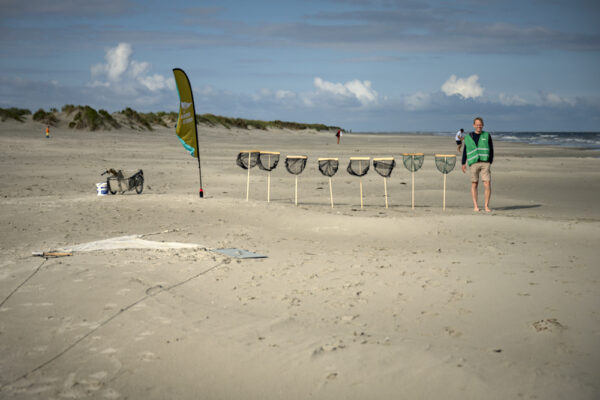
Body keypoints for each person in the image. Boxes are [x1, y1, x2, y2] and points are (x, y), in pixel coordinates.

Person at [461, 117, 493, 212]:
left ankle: (486, 205)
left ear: (482, 125)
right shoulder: (468, 137)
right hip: (473, 163)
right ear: (474, 125)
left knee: (487, 183)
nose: (479, 126)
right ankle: (475, 206)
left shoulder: (487, 135)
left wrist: (490, 160)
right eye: (477, 124)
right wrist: (463, 163)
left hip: (485, 162)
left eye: (480, 124)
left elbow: (491, 149)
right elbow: (465, 151)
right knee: (474, 183)